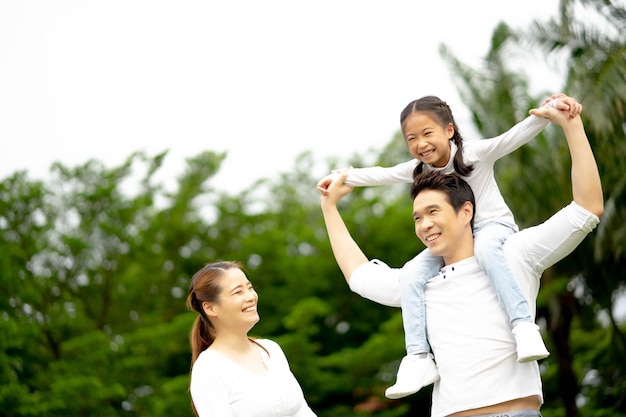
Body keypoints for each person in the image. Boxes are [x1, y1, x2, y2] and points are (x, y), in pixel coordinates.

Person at [319, 103, 602, 417]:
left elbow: (586, 210)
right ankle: (417, 359)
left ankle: (523, 327)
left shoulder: (512, 254)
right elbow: (359, 276)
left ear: (466, 210)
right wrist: (329, 207)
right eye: (417, 218)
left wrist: (570, 124)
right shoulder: (418, 281)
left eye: (433, 212)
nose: (424, 224)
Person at [186, 261, 316, 417]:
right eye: (238, 292)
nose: (250, 297)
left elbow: (302, 412)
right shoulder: (210, 367)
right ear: (210, 308)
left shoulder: (270, 350)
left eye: (249, 287)